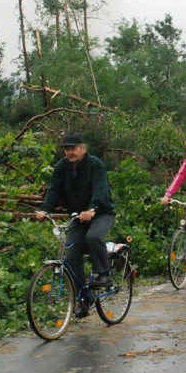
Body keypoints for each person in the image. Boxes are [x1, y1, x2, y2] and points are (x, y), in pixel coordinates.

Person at [35, 133, 116, 318]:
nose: (69, 152)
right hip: (77, 216)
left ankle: (104, 273)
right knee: (71, 255)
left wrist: (93, 209)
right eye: (67, 149)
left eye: (73, 148)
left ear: (83, 148)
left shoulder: (95, 164)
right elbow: (54, 189)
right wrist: (45, 209)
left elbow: (100, 189)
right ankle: (84, 299)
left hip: (101, 212)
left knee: (93, 237)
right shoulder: (61, 167)